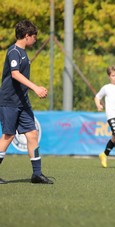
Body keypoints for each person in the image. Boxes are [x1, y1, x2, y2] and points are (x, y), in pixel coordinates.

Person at [0, 20, 53, 184]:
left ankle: (37, 174)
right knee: (8, 136)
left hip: (23, 102)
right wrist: (36, 88)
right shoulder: (13, 51)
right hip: (9, 102)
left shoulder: (23, 52)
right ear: (26, 36)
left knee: (32, 134)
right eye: (34, 36)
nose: (35, 39)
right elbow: (15, 74)